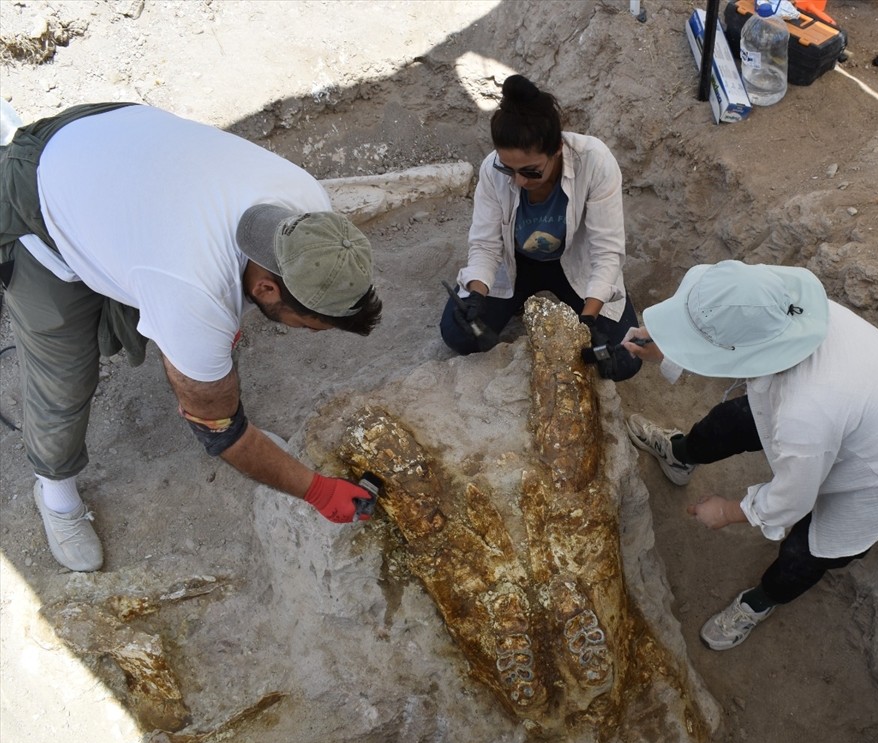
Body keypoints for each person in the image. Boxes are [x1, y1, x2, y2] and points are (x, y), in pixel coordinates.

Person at [0, 102, 384, 572]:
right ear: (267, 287)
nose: (308, 334)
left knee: (202, 336)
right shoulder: (194, 290)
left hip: (116, 152)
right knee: (63, 376)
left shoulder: (310, 211)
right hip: (43, 200)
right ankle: (55, 494)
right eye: (308, 324)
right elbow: (218, 431)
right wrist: (316, 489)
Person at [621, 260, 878, 650]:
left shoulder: (805, 416)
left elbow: (792, 499)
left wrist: (727, 512)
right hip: (877, 415)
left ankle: (759, 603)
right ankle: (680, 454)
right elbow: (733, 343)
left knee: (806, 552)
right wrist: (670, 343)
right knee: (732, 419)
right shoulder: (783, 309)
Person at [440, 74, 641, 382]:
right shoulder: (492, 170)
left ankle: (595, 309)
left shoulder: (595, 161)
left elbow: (607, 253)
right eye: (509, 168)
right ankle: (513, 300)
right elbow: (485, 246)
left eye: (531, 172)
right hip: (517, 263)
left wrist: (588, 321)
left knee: (624, 359)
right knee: (458, 334)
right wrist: (477, 294)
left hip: (573, 262)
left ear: (557, 148)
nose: (518, 181)